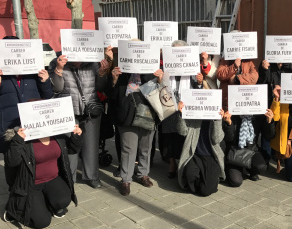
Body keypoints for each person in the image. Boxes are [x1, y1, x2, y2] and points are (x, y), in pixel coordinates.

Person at [0, 36, 53, 188]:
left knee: (33, 158)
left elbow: (48, 96)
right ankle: (15, 198)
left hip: (32, 122)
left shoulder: (34, 69)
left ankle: (35, 193)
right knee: (12, 162)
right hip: (8, 124)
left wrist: (45, 81)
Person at [49, 47, 112, 188]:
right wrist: (59, 68)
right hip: (68, 111)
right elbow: (57, 89)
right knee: (70, 146)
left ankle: (92, 176)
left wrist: (102, 74)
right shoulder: (57, 62)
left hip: (91, 110)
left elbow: (100, 87)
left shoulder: (93, 62)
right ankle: (68, 178)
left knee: (91, 145)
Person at [3, 125, 82, 229]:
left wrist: (76, 136)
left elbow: (72, 150)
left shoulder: (56, 132)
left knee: (63, 200)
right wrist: (17, 141)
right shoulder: (23, 136)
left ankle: (45, 202)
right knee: (41, 222)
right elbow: (11, 162)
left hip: (52, 178)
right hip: (31, 184)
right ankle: (13, 210)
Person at [108, 61, 163, 196]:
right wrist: (114, 79)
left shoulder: (150, 72)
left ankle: (142, 174)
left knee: (146, 147)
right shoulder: (121, 72)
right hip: (127, 115)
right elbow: (112, 96)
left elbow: (159, 94)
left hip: (148, 115)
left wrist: (160, 80)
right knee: (128, 149)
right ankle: (126, 179)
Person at [162, 40, 205, 179]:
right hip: (170, 106)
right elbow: (161, 87)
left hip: (185, 108)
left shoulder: (192, 69)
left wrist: (199, 82)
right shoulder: (167, 69)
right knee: (169, 136)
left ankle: (184, 161)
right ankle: (172, 163)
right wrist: (161, 78)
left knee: (182, 135)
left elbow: (197, 91)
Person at [176, 102, 226, 196]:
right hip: (194, 154)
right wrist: (181, 114)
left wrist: (218, 120)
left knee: (205, 191)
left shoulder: (214, 115)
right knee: (190, 176)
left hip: (211, 156)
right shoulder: (193, 115)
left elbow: (217, 139)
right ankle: (206, 179)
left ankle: (210, 179)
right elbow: (182, 132)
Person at [258, 59, 292, 159]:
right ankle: (266, 158)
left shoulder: (291, 66)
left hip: (286, 107)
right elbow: (261, 82)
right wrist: (264, 69)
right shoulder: (267, 64)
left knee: (281, 131)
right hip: (270, 104)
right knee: (268, 132)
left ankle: (279, 156)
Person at [222, 109, 274, 187]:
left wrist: (269, 122)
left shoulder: (258, 115)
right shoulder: (232, 113)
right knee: (236, 182)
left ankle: (251, 170)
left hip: (252, 150)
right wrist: (229, 123)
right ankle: (234, 167)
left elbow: (269, 136)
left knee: (261, 167)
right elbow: (229, 139)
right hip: (235, 152)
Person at [216, 32, 258, 111]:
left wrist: (237, 79)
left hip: (243, 100)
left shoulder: (248, 61)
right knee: (228, 122)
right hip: (227, 101)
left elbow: (254, 77)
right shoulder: (225, 60)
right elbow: (219, 75)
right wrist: (233, 67)